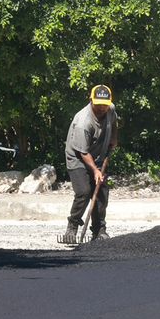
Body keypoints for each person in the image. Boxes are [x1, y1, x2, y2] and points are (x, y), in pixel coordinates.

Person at [60, 84, 119, 245]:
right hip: (78, 157)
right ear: (91, 100)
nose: (101, 108)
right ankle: (72, 227)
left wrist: (114, 137)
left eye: (104, 105)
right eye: (98, 104)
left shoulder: (110, 108)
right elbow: (83, 152)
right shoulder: (83, 122)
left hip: (98, 155)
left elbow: (114, 122)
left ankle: (99, 231)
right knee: (84, 192)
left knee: (101, 193)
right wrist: (94, 170)